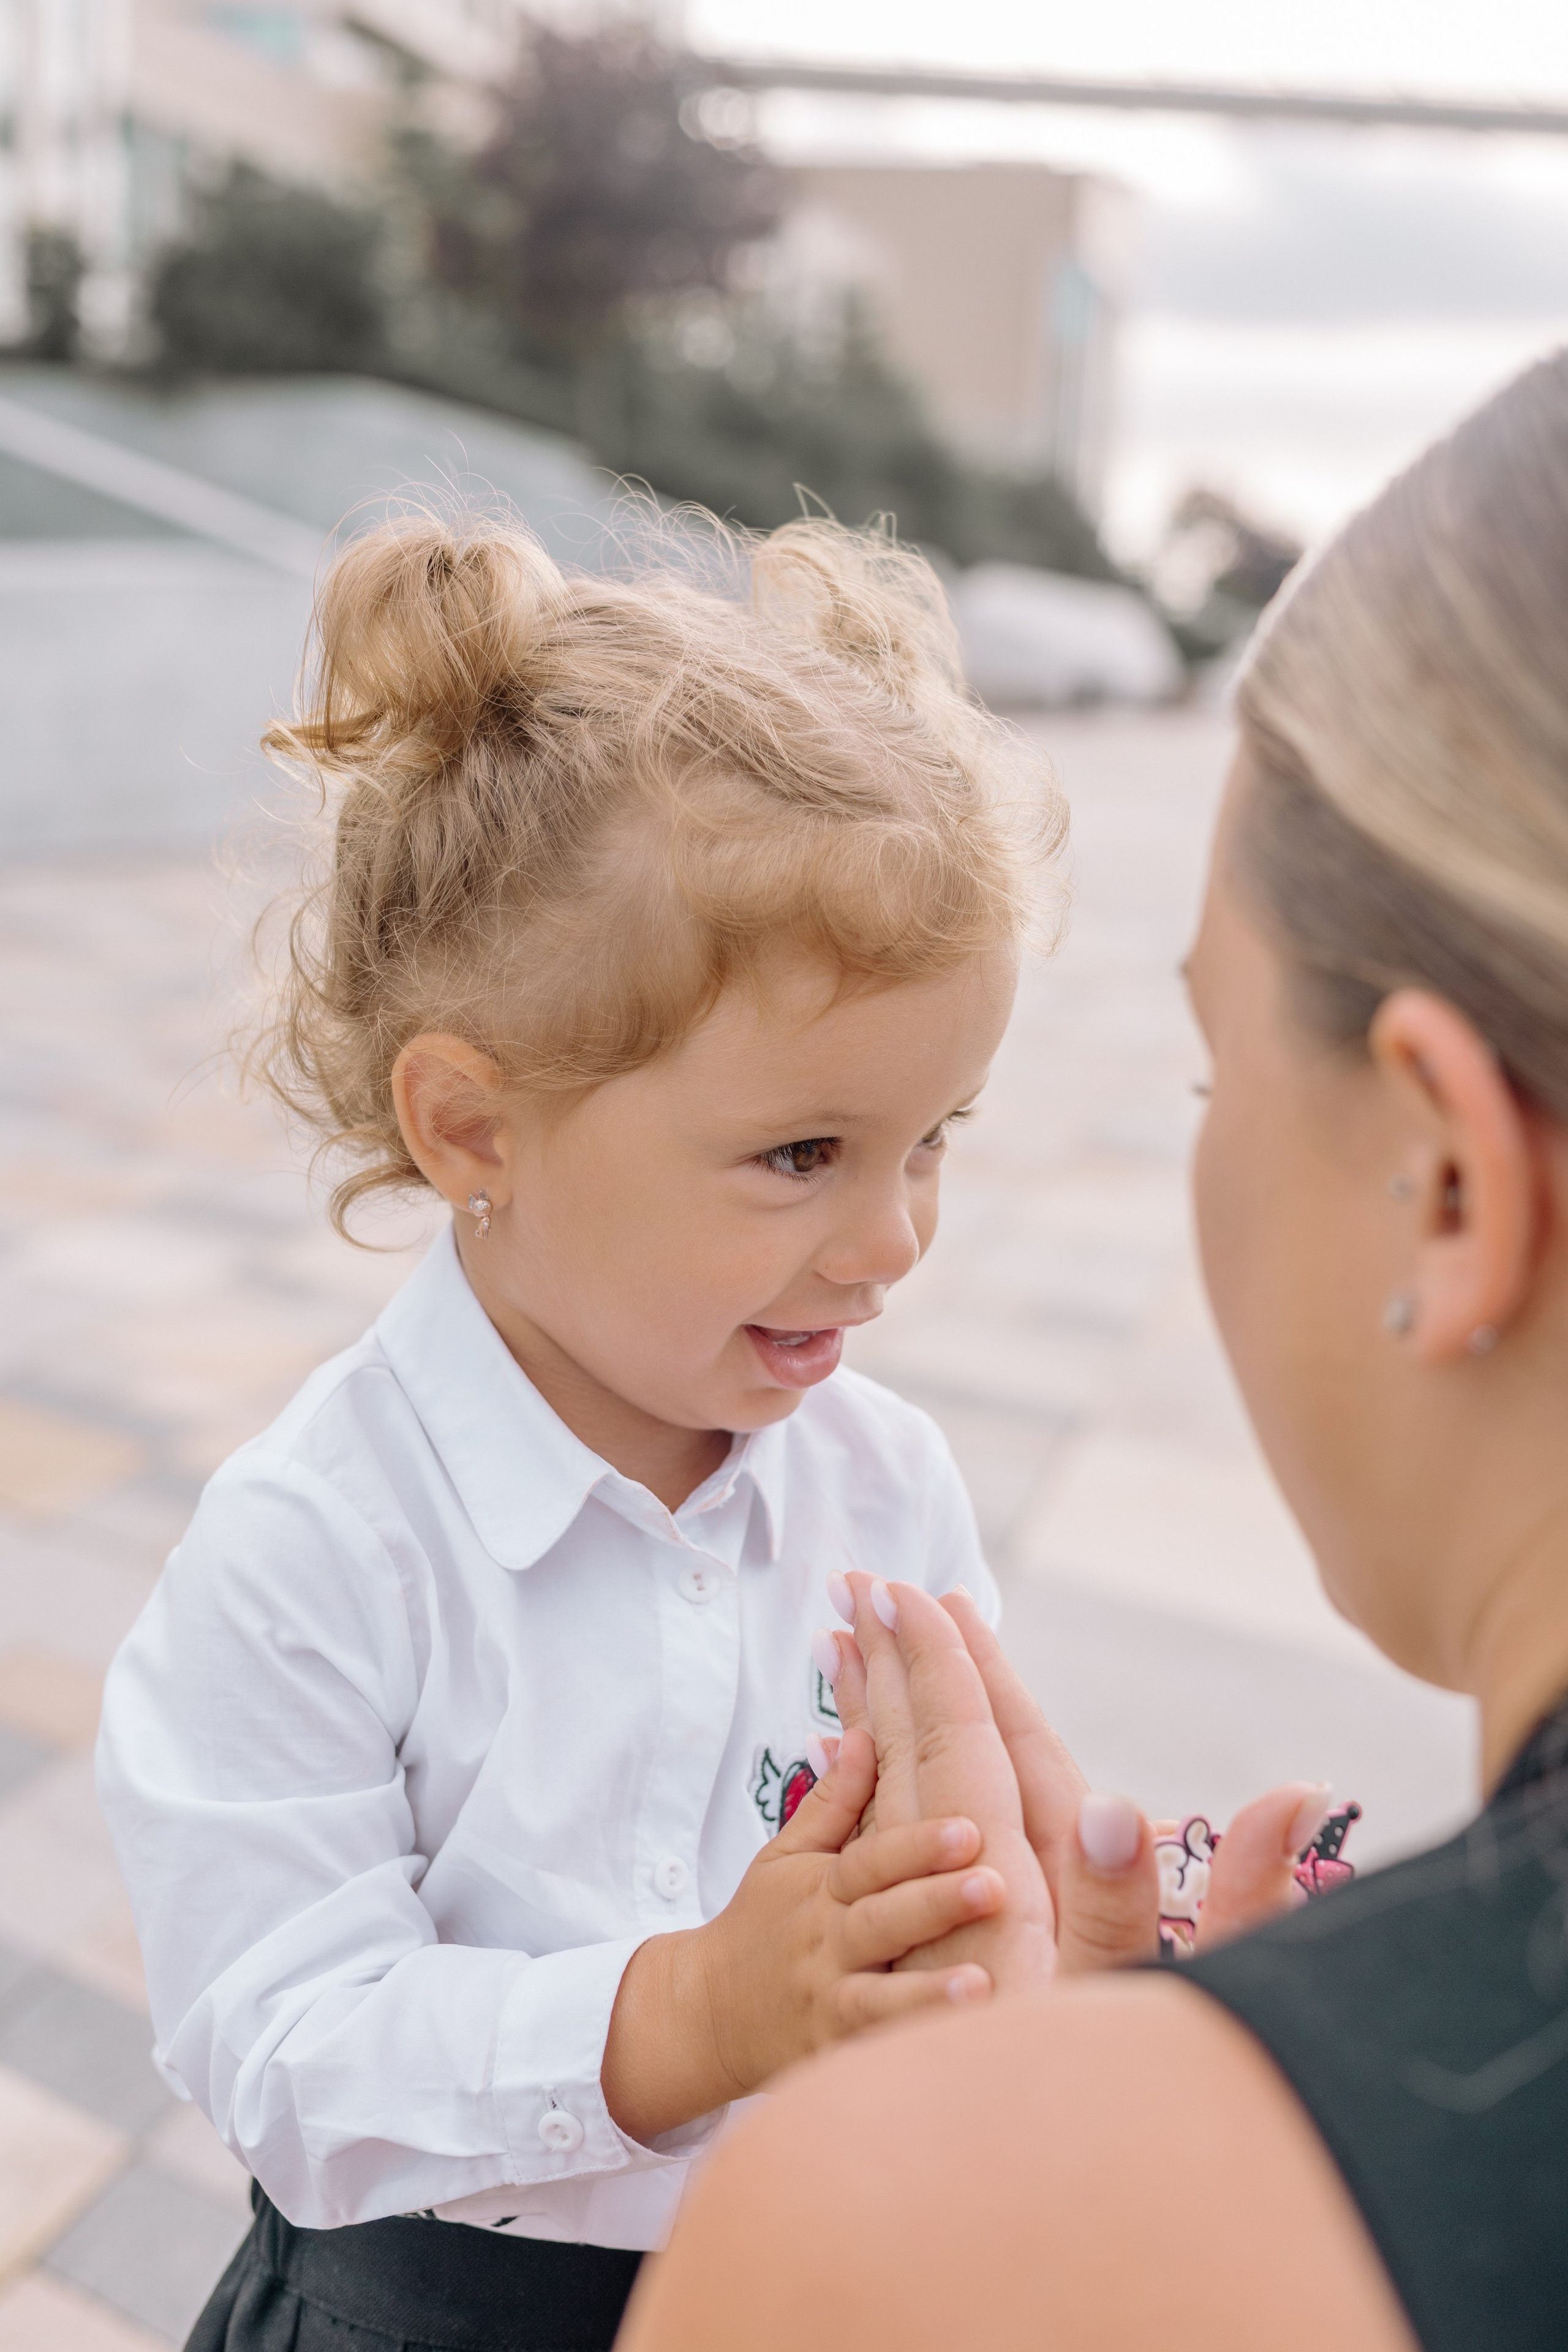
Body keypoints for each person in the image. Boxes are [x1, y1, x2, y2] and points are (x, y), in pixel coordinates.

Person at [616, 350, 1568, 2352]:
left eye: (1220, 1065)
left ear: (1452, 1182)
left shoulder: (925, 2241)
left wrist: (1042, 2154)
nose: (889, 1243)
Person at [93, 511, 1065, 2352]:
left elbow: (948, 1912)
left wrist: (1068, 1934)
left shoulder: (890, 1491)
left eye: (933, 1138)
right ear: (475, 1130)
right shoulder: (322, 1538)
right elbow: (284, 2046)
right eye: (803, 1155)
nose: (895, 1240)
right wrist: (685, 2015)